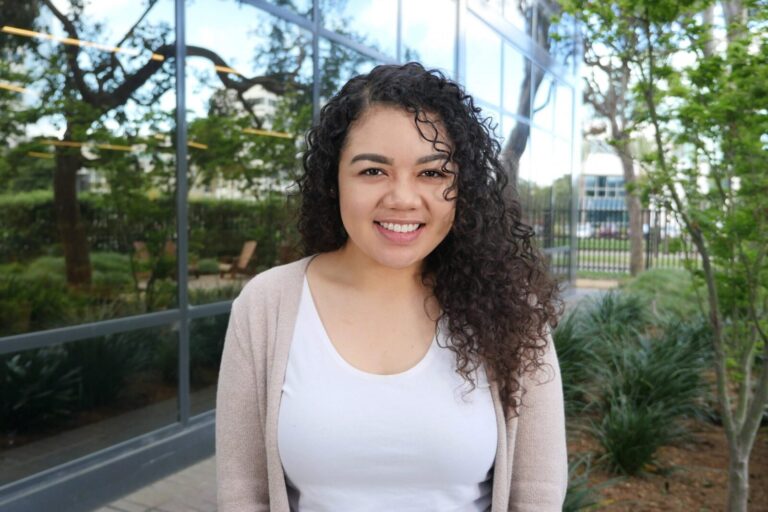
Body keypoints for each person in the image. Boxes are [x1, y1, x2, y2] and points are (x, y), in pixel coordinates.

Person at [216, 62, 567, 512]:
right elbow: (242, 492)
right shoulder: (267, 304)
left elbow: (536, 493)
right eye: (373, 171)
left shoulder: (512, 309)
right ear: (333, 181)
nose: (402, 198)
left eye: (432, 173)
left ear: (463, 187)